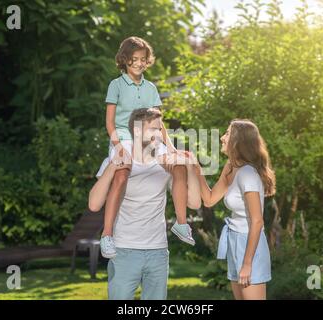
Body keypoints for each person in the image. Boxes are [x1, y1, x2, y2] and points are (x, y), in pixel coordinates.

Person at [98, 36, 195, 259]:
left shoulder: (151, 88)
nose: (140, 63)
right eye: (135, 59)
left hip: (149, 140)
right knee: (121, 175)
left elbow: (158, 122)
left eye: (143, 59)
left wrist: (170, 148)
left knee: (178, 166)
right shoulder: (116, 85)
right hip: (123, 137)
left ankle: (181, 223)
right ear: (125, 60)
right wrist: (118, 147)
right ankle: (107, 234)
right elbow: (110, 122)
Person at [89, 107, 201, 300]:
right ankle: (106, 235)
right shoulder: (119, 158)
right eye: (154, 129)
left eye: (160, 129)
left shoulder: (165, 163)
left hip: (157, 251)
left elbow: (194, 202)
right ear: (138, 130)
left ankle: (180, 226)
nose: (159, 134)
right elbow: (93, 204)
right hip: (123, 250)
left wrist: (190, 167)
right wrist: (111, 167)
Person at [194, 119, 276, 300]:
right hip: (234, 240)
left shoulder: (247, 174)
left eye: (227, 134)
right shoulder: (231, 168)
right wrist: (196, 168)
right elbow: (209, 200)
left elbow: (257, 221)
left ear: (239, 141)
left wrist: (247, 264)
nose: (222, 138)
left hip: (250, 246)